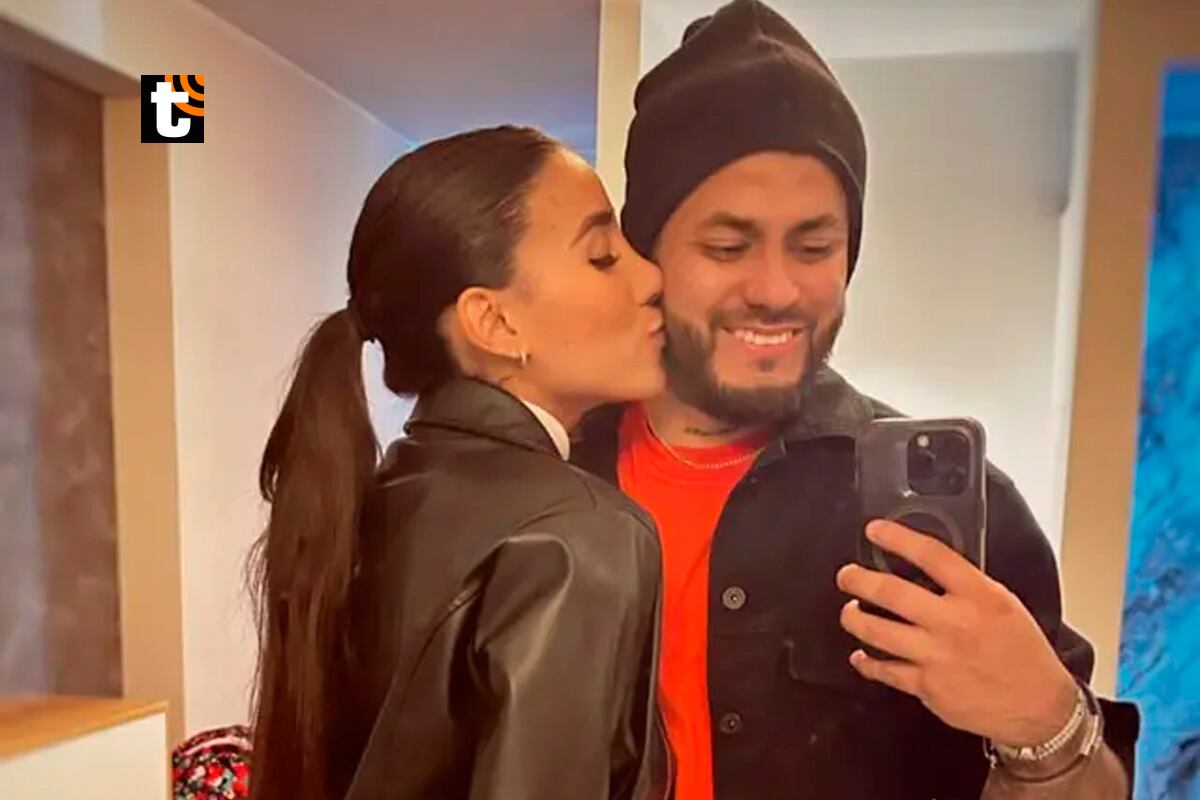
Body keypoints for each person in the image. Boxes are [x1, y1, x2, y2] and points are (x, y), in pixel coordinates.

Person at [571, 2, 1140, 798]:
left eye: (815, 247)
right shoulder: (552, 474)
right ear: (647, 250)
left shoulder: (961, 520)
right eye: (727, 246)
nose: (777, 290)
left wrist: (1044, 724)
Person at [247, 126, 671, 800]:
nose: (650, 278)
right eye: (602, 256)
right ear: (495, 324)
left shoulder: (367, 501)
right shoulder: (577, 535)